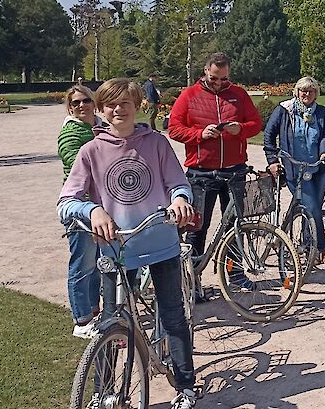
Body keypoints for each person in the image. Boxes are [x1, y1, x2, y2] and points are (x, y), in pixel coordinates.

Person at [58, 78, 200, 409]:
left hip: (160, 242)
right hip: (117, 249)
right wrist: (91, 210)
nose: (118, 109)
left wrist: (179, 199)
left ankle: (186, 386)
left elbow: (178, 182)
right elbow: (66, 201)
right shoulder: (90, 150)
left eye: (125, 102)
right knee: (110, 323)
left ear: (137, 105)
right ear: (101, 109)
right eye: (110, 104)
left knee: (173, 315)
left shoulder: (157, 143)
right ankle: (102, 391)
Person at [167, 53, 262, 283]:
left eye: (223, 79)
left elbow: (256, 124)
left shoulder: (238, 94)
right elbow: (173, 128)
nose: (219, 83)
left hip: (234, 170)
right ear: (205, 71)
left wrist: (240, 129)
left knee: (235, 225)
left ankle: (235, 273)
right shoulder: (189, 95)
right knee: (197, 226)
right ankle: (193, 279)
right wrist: (200, 134)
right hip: (201, 172)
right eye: (213, 78)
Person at [264, 77, 325, 264]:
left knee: (313, 209)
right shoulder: (284, 110)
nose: (306, 94)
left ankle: (307, 244)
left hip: (319, 167)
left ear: (316, 94)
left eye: (310, 91)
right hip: (295, 169)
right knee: (312, 206)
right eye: (303, 90)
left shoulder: (320, 111)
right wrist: (272, 160)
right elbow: (269, 136)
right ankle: (321, 248)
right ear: (297, 92)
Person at [57, 84, 104, 339]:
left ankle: (94, 311)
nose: (81, 106)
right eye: (75, 103)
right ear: (70, 107)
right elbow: (73, 160)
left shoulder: (99, 126)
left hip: (102, 204)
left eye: (86, 100)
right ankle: (82, 321)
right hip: (80, 205)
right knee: (82, 264)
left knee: (97, 263)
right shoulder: (71, 132)